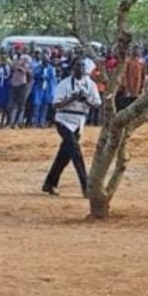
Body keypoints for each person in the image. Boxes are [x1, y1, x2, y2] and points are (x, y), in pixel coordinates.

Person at [42, 58, 101, 196]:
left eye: (82, 66)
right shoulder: (64, 84)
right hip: (63, 120)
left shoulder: (90, 84)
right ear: (73, 68)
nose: (80, 69)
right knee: (76, 152)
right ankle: (86, 186)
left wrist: (86, 100)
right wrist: (71, 99)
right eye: (77, 66)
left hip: (79, 122)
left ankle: (50, 183)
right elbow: (55, 105)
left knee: (64, 154)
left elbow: (98, 104)